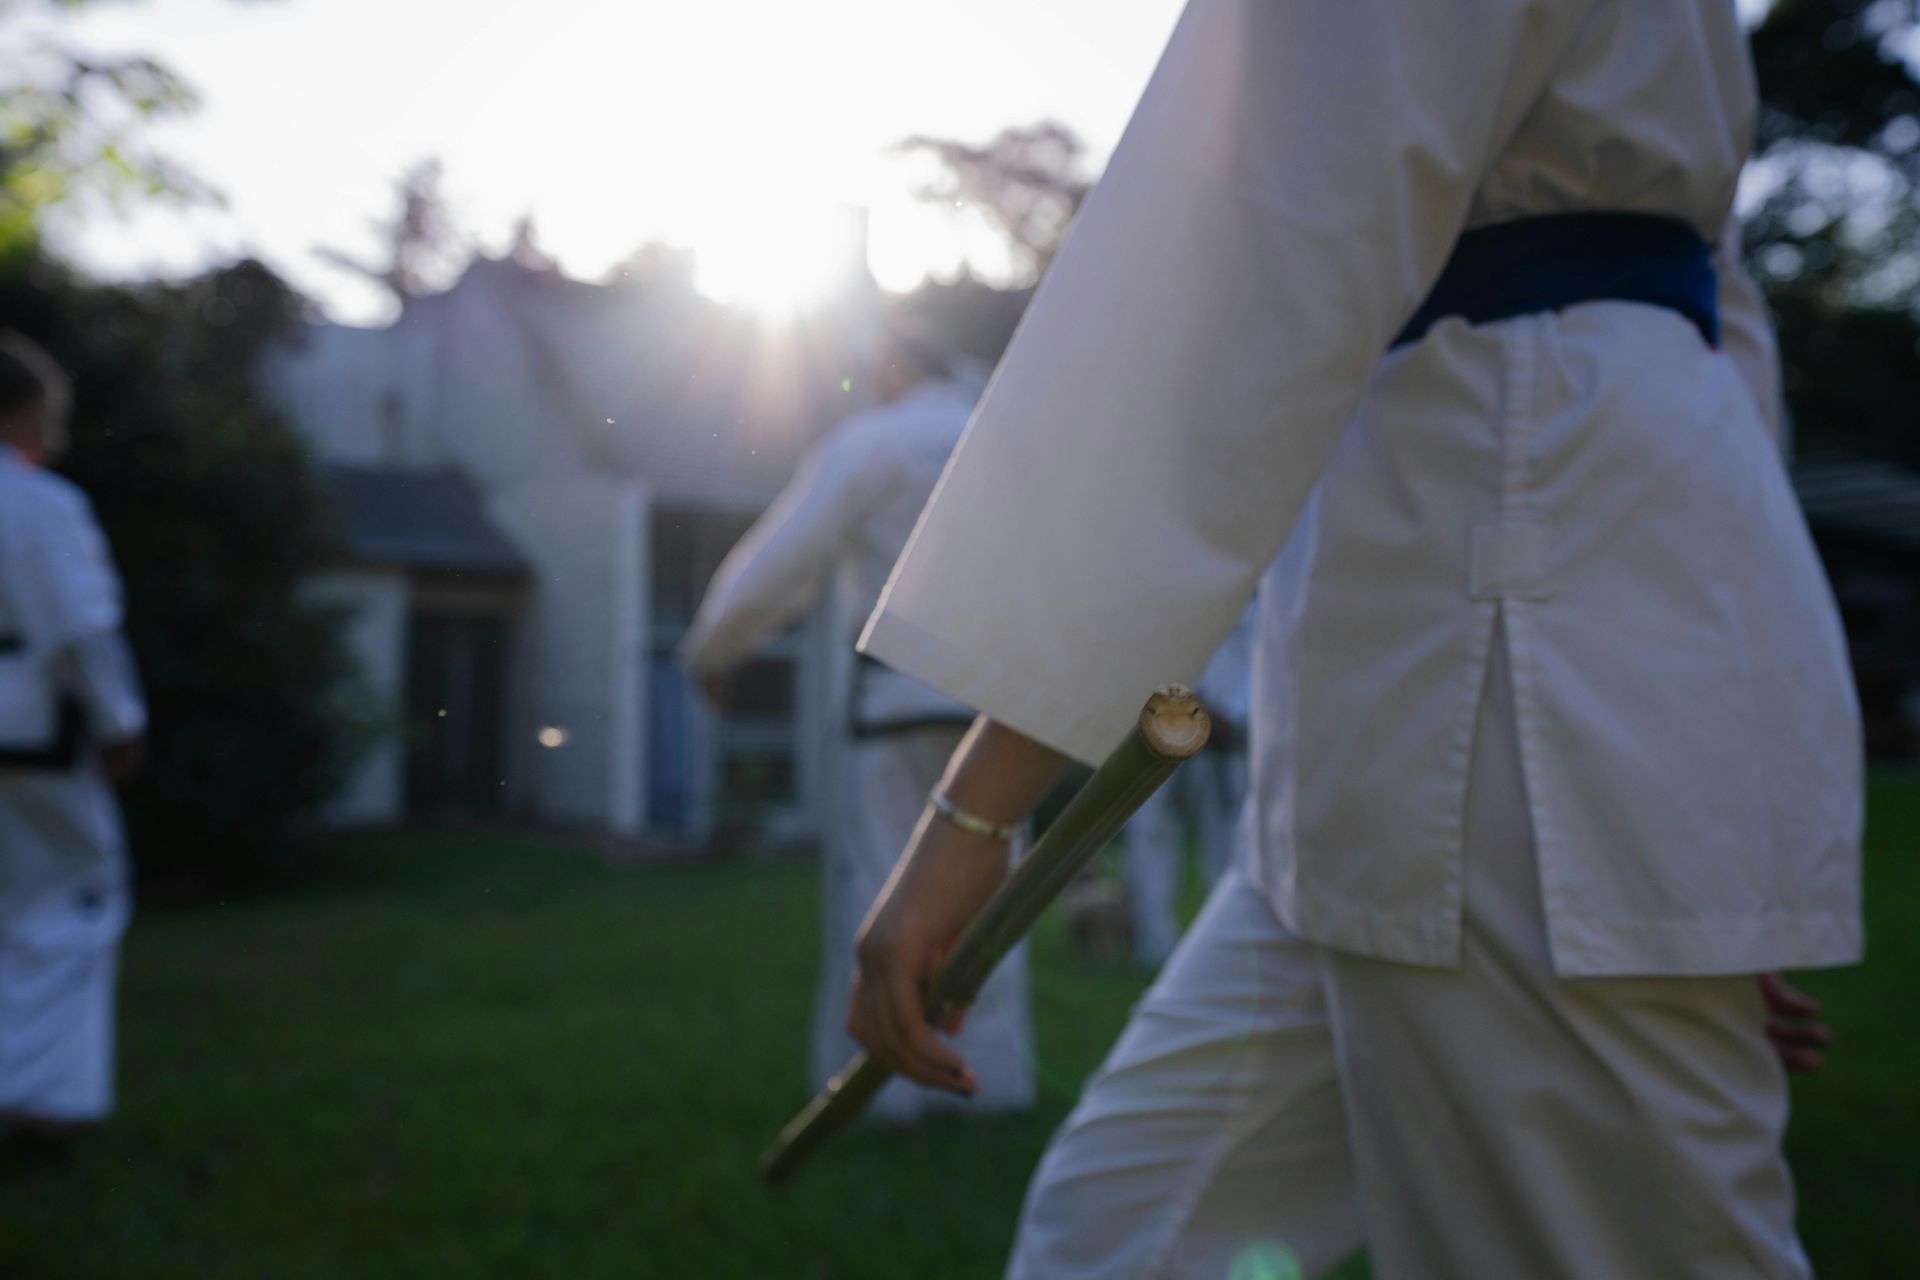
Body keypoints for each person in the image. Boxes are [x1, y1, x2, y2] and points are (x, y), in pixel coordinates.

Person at [844, 2, 1861, 1276]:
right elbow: (1726, 327)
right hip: (1450, 654)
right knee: (1120, 1232)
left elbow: (1247, 266)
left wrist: (977, 813)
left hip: (1519, 632)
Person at [680, 310, 1034, 1122]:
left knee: (881, 895)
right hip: (1004, 716)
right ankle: (991, 1089)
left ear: (893, 369)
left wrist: (710, 651)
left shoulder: (871, 444)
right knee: (990, 904)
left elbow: (780, 560)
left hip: (897, 705)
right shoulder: (1003, 438)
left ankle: (884, 1101)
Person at [0, 333, 148, 1141]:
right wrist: (120, 721)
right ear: (19, 414)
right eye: (47, 416)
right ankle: (40, 1101)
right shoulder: (39, 504)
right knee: (68, 899)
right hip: (27, 738)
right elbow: (82, 631)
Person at [1120, 598, 1254, 966]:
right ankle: (1153, 947)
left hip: (1228, 739)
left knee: (1231, 850)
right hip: (1159, 730)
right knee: (1152, 841)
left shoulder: (1255, 596)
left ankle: (1226, 949)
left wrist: (1236, 719)